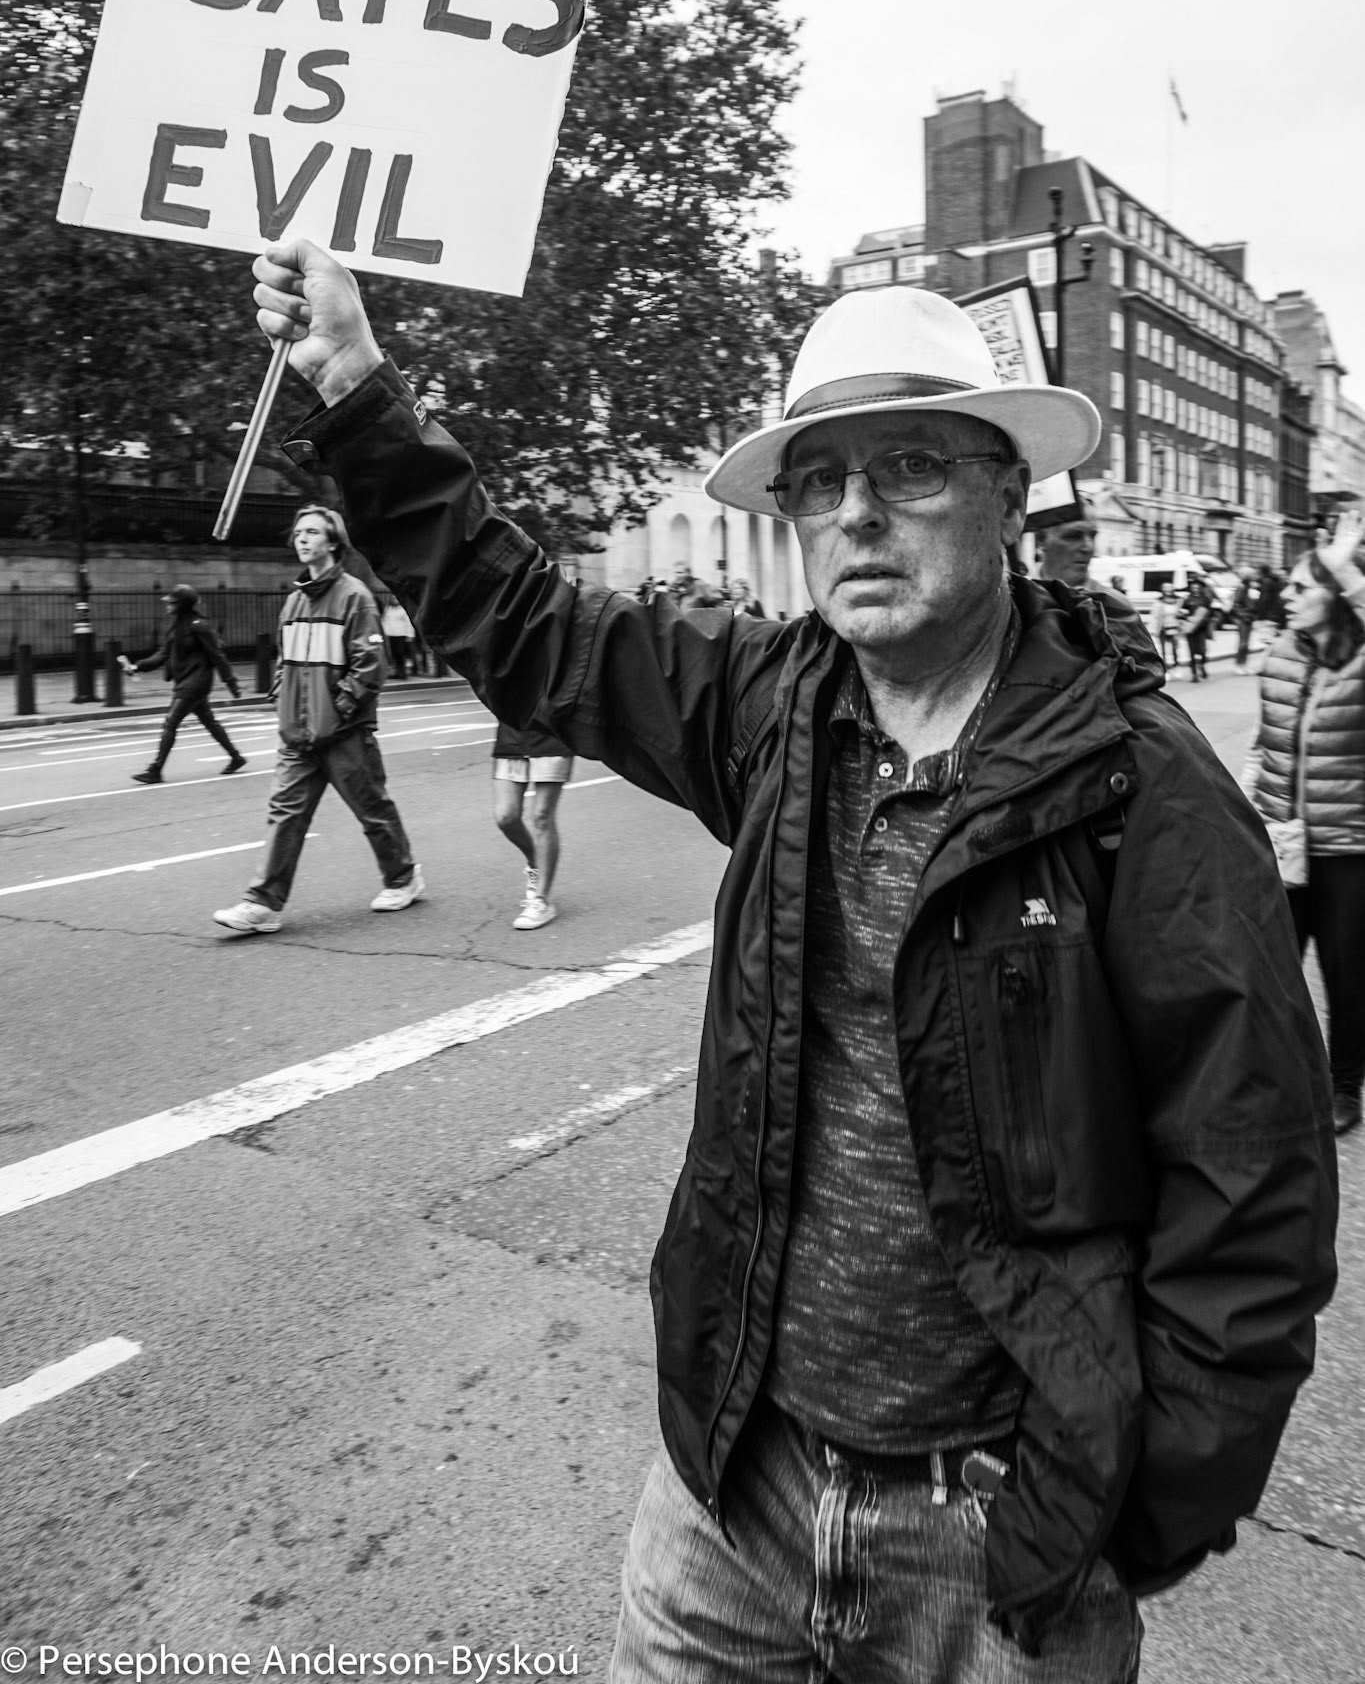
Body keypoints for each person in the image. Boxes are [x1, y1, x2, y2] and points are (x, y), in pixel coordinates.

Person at [252, 248, 1336, 1680]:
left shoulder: (1143, 788)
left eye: (910, 468)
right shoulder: (772, 707)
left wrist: (1131, 1517)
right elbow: (525, 624)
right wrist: (352, 386)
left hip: (995, 1541)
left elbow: (1249, 1183)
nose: (857, 516)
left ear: (1009, 491)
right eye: (818, 485)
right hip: (734, 1483)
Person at [212, 504, 424, 935]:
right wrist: (282, 700)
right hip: (298, 735)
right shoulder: (293, 601)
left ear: (333, 543)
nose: (301, 539)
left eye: (311, 532)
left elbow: (370, 665)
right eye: (298, 533)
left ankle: (404, 878)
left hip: (344, 733)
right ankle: (263, 903)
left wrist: (340, 710)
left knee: (373, 810)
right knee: (284, 814)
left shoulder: (354, 597)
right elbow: (284, 662)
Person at [1243, 514, 1365, 1137]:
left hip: (1349, 847)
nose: (1284, 597)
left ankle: (1345, 1085)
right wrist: (1244, 816)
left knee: (1347, 975)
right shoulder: (1279, 656)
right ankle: (1282, 1076)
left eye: (1300, 588)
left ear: (1337, 598)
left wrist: (1346, 568)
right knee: (1270, 965)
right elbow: (1265, 749)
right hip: (1284, 841)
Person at [120, 584, 246, 784]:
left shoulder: (199, 626)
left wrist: (231, 683)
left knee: (171, 722)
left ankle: (155, 770)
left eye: (172, 602)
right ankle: (236, 757)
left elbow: (217, 656)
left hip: (196, 682)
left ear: (183, 605)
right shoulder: (177, 626)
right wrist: (137, 667)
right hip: (185, 681)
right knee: (209, 721)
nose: (167, 605)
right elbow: (163, 654)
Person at [491, 717, 575, 929]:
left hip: (553, 732)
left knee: (542, 816)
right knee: (506, 817)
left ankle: (541, 901)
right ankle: (535, 862)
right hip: (512, 732)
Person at [1033, 503, 1137, 613]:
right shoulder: (1019, 598)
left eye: (1092, 536)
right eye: (1073, 536)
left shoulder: (1115, 606)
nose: (1088, 548)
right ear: (1041, 540)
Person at [1180, 577, 1213, 681]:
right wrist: (1186, 617)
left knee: (1202, 650)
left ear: (1201, 588)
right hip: (1190, 628)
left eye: (1198, 587)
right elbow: (1181, 613)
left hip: (1202, 628)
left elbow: (1210, 613)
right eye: (1193, 587)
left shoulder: (1205, 599)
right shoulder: (1187, 599)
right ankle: (1194, 673)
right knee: (1192, 650)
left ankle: (1202, 666)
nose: (1195, 589)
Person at [1230, 566, 1262, 672]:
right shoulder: (1242, 587)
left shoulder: (1250, 587)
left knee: (1246, 643)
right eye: (1252, 575)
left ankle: (1243, 664)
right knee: (1243, 643)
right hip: (1243, 618)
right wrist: (1244, 614)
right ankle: (1239, 664)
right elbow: (1236, 604)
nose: (1254, 577)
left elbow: (1252, 602)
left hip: (1249, 617)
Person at [380, 592, 417, 677]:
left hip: (401, 634)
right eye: (393, 599)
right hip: (390, 634)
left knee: (400, 654)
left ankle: (402, 673)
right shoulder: (388, 609)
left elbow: (408, 623)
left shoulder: (403, 610)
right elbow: (384, 620)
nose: (394, 600)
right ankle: (396, 672)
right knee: (393, 654)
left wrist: (410, 635)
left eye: (396, 599)